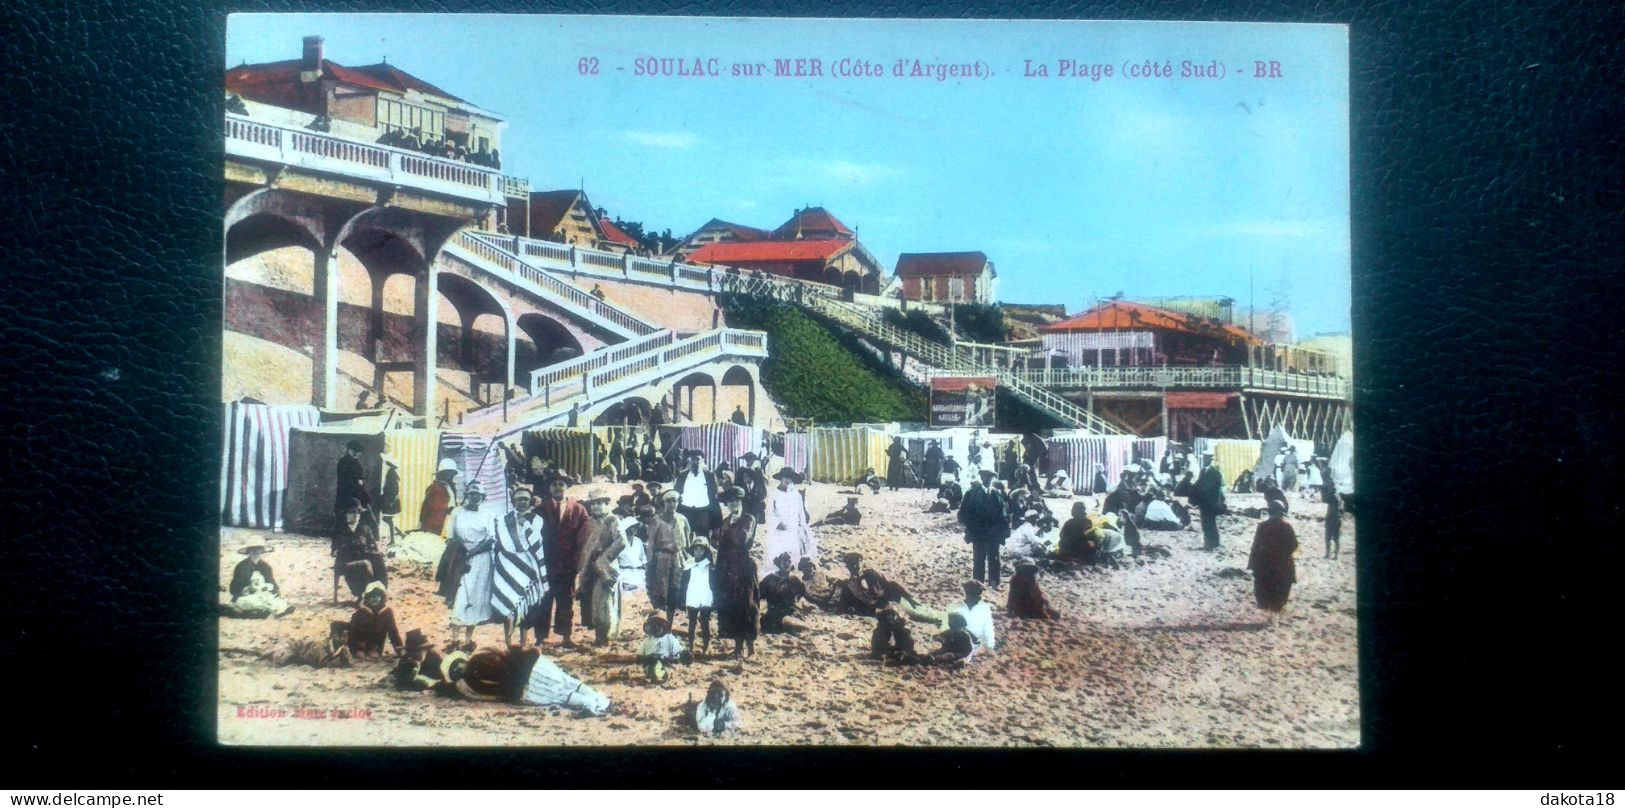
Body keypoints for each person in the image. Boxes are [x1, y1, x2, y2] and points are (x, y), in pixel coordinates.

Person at [436, 647, 610, 715]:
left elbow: (495, 694)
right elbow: (508, 653)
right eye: (457, 670)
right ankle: (598, 701)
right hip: (530, 668)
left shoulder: (470, 682)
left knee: (561, 691)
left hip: (524, 682)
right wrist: (530, 652)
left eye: (458, 667)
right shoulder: (473, 676)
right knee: (565, 683)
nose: (460, 669)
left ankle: (593, 703)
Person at [538, 475, 593, 648]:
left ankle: (566, 637)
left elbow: (583, 537)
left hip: (567, 564)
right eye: (554, 484)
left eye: (561, 484)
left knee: (566, 601)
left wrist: (577, 561)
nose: (558, 487)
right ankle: (540, 637)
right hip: (545, 564)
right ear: (549, 488)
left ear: (567, 487)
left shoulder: (578, 509)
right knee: (543, 600)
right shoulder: (540, 508)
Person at [444, 482, 498, 647]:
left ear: (483, 497)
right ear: (467, 495)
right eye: (472, 494)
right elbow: (450, 536)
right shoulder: (457, 512)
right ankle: (454, 639)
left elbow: (490, 540)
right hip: (462, 558)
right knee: (460, 595)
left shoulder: (488, 514)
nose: (475, 497)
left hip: (481, 559)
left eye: (479, 495)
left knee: (476, 596)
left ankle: (468, 639)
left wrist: (472, 552)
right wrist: (461, 552)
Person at [495, 486, 548, 648]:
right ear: (513, 501)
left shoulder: (536, 519)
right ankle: (508, 642)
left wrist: (525, 524)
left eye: (525, 499)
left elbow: (534, 541)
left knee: (525, 605)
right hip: (507, 564)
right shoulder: (503, 519)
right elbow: (502, 541)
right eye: (519, 499)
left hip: (527, 565)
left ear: (530, 501)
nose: (522, 502)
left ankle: (523, 643)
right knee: (509, 603)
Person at [711, 487, 759, 658]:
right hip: (726, 566)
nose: (733, 504)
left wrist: (725, 536)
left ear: (741, 501)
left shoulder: (748, 519)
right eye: (730, 501)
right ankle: (738, 647)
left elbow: (742, 539)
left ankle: (751, 646)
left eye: (736, 500)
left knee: (747, 604)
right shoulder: (725, 521)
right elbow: (715, 541)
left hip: (743, 565)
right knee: (732, 605)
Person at [576, 489, 625, 646]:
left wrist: (604, 559)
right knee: (592, 602)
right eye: (594, 503)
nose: (596, 506)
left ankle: (603, 637)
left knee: (603, 601)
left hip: (606, 566)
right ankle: (599, 634)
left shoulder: (612, 520)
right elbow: (583, 546)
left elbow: (621, 541)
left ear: (606, 504)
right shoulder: (588, 523)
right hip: (590, 566)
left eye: (600, 503)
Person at [760, 469, 817, 579]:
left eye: (790, 478)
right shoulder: (774, 494)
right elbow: (769, 513)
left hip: (793, 530)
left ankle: (792, 574)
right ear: (780, 478)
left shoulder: (796, 494)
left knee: (793, 555)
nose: (787, 480)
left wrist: (802, 526)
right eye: (785, 477)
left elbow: (801, 512)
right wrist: (778, 523)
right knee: (778, 555)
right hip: (778, 531)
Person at [958, 469, 1009, 588]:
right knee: (979, 558)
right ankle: (978, 582)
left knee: (994, 557)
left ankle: (994, 581)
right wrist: (973, 529)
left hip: (993, 532)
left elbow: (1002, 514)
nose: (988, 480)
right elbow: (965, 514)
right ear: (981, 478)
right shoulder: (972, 493)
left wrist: (1002, 530)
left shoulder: (996, 494)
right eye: (986, 477)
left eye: (990, 478)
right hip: (978, 532)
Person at [1248, 499, 1299, 615]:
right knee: (1281, 588)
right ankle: (1275, 610)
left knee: (1264, 588)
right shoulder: (1287, 527)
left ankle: (1270, 609)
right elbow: (1294, 545)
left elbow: (1255, 546)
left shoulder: (1262, 526)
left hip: (1265, 563)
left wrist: (1252, 563)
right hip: (1282, 564)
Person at [332, 498, 387, 601]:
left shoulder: (365, 529)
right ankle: (361, 594)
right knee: (364, 564)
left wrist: (371, 550)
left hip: (364, 556)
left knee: (377, 558)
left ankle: (380, 590)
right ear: (346, 514)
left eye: (358, 512)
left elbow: (373, 546)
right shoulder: (340, 529)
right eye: (352, 512)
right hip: (346, 561)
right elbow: (334, 549)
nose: (356, 515)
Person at [224, 544, 292, 618]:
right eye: (253, 549)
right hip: (246, 595)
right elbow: (234, 587)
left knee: (272, 600)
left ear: (262, 551)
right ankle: (258, 612)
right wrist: (248, 589)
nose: (256, 551)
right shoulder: (241, 566)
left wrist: (272, 591)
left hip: (263, 594)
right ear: (248, 551)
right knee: (251, 602)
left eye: (258, 549)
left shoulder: (266, 566)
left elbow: (271, 582)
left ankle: (275, 611)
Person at [758, 552, 813, 634]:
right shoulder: (770, 578)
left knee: (787, 622)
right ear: (779, 563)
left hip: (789, 613)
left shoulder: (795, 579)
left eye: (789, 561)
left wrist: (805, 606)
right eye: (784, 561)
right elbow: (758, 594)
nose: (787, 563)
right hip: (772, 614)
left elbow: (803, 596)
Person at [348, 581, 404, 658]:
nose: (375, 599)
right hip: (360, 641)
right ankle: (359, 649)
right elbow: (352, 630)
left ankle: (372, 649)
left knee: (374, 655)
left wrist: (399, 649)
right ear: (367, 598)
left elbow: (393, 631)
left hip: (376, 643)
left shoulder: (386, 612)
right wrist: (354, 646)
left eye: (378, 596)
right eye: (371, 596)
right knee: (359, 653)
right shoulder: (362, 611)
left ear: (383, 598)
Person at [675, 450, 719, 537]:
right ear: (689, 461)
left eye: (697, 459)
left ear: (702, 461)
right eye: (692, 460)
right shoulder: (682, 475)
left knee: (703, 536)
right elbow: (677, 492)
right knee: (686, 535)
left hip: (703, 511)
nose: (695, 462)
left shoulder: (709, 476)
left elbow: (714, 495)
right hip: (686, 510)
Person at [274, 621, 353, 669]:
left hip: (305, 656)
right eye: (344, 636)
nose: (346, 639)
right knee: (281, 658)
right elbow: (320, 664)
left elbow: (347, 660)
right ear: (335, 636)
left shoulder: (341, 647)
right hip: (302, 649)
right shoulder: (322, 645)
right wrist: (338, 660)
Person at [683, 543, 716, 654]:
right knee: (692, 622)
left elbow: (713, 581)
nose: (698, 552)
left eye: (701, 549)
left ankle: (706, 647)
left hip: (705, 594)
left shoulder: (708, 565)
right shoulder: (689, 564)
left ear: (705, 551)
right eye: (696, 549)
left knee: (705, 622)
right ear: (693, 551)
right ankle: (691, 646)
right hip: (693, 594)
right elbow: (684, 581)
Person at [636, 614, 688, 682]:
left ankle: (661, 675)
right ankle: (653, 674)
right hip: (650, 664)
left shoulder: (670, 639)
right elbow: (639, 658)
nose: (657, 628)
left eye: (659, 625)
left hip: (666, 663)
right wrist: (649, 657)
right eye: (654, 625)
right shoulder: (647, 641)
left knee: (661, 665)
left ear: (664, 627)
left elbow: (679, 653)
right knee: (653, 663)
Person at [1191, 450, 1226, 551]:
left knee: (1209, 523)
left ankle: (1212, 543)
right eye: (1204, 458)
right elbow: (1198, 485)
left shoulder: (1214, 473)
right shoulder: (1203, 471)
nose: (1205, 460)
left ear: (1210, 460)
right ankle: (1210, 543)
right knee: (1206, 523)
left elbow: (1216, 489)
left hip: (1211, 502)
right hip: (1204, 502)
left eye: (1207, 459)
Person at [948, 581, 996, 652]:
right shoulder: (957, 606)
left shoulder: (984, 608)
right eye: (976, 595)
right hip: (956, 639)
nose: (979, 598)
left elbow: (988, 629)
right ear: (968, 594)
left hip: (974, 643)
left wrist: (990, 646)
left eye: (980, 595)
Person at [419, 458, 459, 534]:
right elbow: (429, 508)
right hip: (435, 525)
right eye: (446, 473)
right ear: (441, 473)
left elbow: (453, 501)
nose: (448, 475)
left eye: (451, 473)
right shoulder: (435, 488)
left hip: (447, 523)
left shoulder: (450, 487)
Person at [335, 439, 371, 518]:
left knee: (365, 504)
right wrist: (357, 481)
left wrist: (361, 481)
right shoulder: (343, 462)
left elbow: (360, 478)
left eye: (358, 452)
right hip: (345, 491)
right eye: (353, 451)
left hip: (356, 491)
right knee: (344, 514)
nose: (356, 453)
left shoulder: (358, 465)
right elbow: (343, 478)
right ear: (349, 450)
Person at [737, 453, 769, 523]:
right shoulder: (743, 471)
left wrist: (758, 493)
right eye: (747, 460)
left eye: (750, 460)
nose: (748, 462)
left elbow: (762, 487)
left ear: (753, 460)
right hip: (746, 504)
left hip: (756, 504)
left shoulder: (757, 471)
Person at [378, 454, 402, 543]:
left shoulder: (391, 473)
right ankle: (399, 533)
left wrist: (391, 501)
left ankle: (393, 539)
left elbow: (394, 488)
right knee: (387, 518)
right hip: (389, 498)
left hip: (390, 499)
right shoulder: (391, 472)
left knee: (387, 519)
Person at [1322, 476, 1344, 560]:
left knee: (1328, 537)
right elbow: (1341, 509)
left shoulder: (1332, 495)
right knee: (1336, 538)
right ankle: (1335, 555)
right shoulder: (1338, 495)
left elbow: (1331, 508)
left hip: (1332, 518)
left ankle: (1328, 554)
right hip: (1337, 518)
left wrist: (1327, 517)